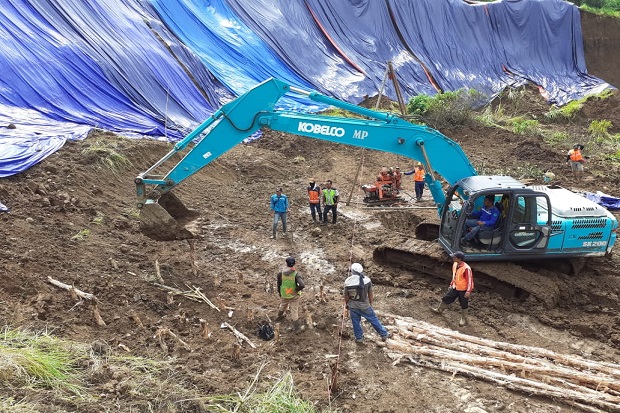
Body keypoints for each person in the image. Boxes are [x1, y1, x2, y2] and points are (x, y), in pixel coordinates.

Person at [344, 263, 390, 343]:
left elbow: (346, 296)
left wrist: (347, 305)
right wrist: (371, 303)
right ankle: (384, 334)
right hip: (365, 306)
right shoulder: (367, 280)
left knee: (355, 322)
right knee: (373, 320)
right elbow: (370, 294)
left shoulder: (348, 282)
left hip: (353, 306)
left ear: (352, 271)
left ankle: (359, 338)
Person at [430, 251, 474, 326]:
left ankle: (463, 319)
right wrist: (451, 284)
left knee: (464, 303)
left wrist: (468, 291)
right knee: (446, 298)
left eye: (454, 257)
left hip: (463, 290)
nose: (453, 258)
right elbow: (455, 276)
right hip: (455, 287)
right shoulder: (455, 264)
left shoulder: (466, 269)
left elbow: (470, 281)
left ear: (459, 259)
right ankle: (439, 310)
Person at [276, 257, 305, 332]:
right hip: (293, 295)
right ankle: (297, 329)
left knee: (283, 305)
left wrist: (280, 293)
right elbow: (302, 285)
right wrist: (296, 290)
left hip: (284, 294)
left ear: (286, 263)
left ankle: (279, 316)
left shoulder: (280, 274)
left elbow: (279, 284)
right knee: (294, 311)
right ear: (294, 264)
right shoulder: (296, 274)